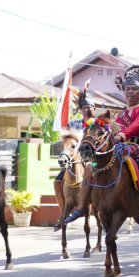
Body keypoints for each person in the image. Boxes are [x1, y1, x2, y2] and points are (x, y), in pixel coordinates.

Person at [62, 64, 139, 236]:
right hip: (120, 148)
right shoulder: (121, 115)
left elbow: (136, 126)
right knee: (91, 167)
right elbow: (110, 130)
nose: (129, 92)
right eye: (127, 89)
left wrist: (121, 135)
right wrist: (105, 126)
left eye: (133, 89)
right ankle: (80, 207)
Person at [52, 81, 97, 231]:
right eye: (84, 107)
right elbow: (68, 140)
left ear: (94, 109)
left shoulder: (97, 124)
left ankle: (103, 210)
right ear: (80, 109)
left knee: (99, 178)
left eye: (89, 107)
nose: (86, 110)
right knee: (57, 181)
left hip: (94, 160)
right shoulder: (74, 123)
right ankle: (62, 215)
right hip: (76, 159)